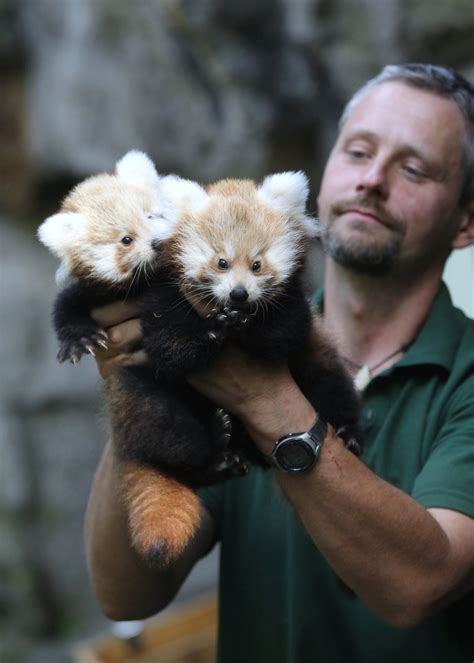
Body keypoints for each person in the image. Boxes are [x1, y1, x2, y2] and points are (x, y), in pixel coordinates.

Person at [84, 63, 474, 662]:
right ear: (322, 179)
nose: (372, 179)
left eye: (413, 168)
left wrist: (262, 397)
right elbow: (124, 595)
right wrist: (138, 378)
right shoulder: (212, 347)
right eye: (358, 151)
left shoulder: (463, 378)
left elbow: (417, 587)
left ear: (466, 220)